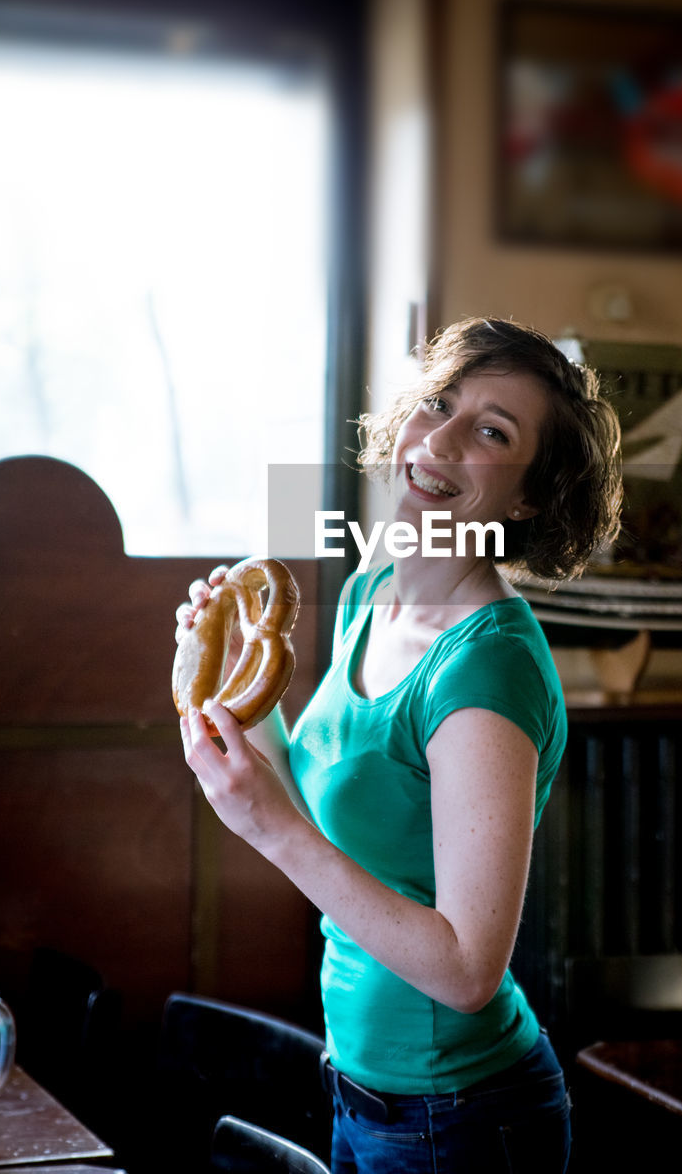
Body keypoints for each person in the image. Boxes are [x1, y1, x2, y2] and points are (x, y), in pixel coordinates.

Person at [178, 316, 623, 1174]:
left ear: (529, 497)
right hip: (358, 1088)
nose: (443, 438)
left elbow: (465, 972)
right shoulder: (370, 591)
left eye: (492, 431)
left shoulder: (486, 667)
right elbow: (319, 812)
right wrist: (232, 683)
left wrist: (274, 833)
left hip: (462, 1119)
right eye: (438, 404)